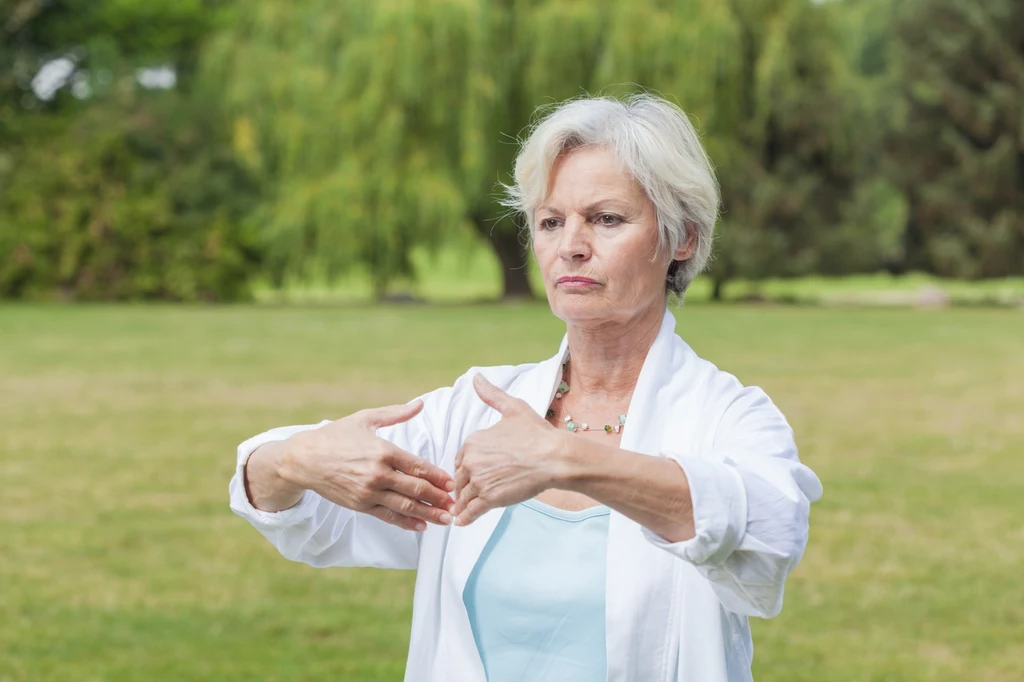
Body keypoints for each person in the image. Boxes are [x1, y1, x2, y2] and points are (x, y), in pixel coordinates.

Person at [229, 94, 823, 682]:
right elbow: (307, 518)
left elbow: (767, 537)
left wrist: (565, 458)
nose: (571, 245)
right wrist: (296, 459)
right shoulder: (475, 407)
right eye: (550, 221)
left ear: (683, 237)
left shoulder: (727, 414)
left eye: (607, 218)